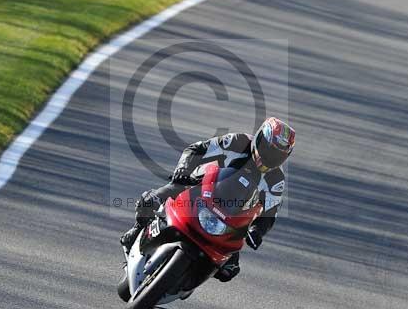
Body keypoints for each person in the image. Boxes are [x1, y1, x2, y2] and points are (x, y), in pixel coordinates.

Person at [120, 117, 296, 282]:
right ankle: (135, 232)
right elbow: (196, 149)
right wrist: (183, 170)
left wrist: (257, 231)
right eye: (268, 149)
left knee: (229, 269)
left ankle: (185, 277)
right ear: (259, 139)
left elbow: (270, 213)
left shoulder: (276, 179)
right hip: (196, 187)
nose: (269, 157)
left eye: (277, 155)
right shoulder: (237, 142)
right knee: (150, 201)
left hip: (230, 216)